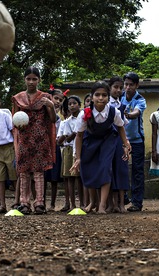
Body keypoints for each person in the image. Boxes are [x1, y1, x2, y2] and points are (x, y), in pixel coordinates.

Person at [71, 81, 131, 214]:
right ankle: (93, 201)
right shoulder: (84, 113)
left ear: (108, 97)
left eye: (104, 95)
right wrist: (78, 157)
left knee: (105, 168)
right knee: (89, 169)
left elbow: (120, 127)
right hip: (90, 141)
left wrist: (125, 144)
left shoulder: (113, 111)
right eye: (97, 95)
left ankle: (102, 205)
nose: (100, 98)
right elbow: (79, 136)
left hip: (107, 140)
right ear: (92, 97)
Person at [12, 67, 56, 215]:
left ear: (39, 80)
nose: (31, 82)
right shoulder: (18, 98)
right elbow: (14, 122)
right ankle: (24, 203)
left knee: (38, 172)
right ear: (24, 79)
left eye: (34, 79)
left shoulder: (45, 98)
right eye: (28, 78)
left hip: (40, 140)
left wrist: (50, 106)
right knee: (24, 172)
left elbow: (53, 119)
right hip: (24, 139)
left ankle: (39, 203)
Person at [121, 72, 146, 212]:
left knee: (137, 171)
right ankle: (122, 198)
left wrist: (128, 115)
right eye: (126, 84)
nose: (128, 87)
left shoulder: (140, 99)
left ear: (136, 85)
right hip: (122, 140)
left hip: (136, 140)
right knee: (121, 169)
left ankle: (137, 202)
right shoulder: (120, 98)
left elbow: (137, 112)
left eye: (131, 84)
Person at [108, 76, 130, 213]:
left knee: (121, 170)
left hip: (119, 142)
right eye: (115, 87)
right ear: (109, 87)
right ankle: (111, 204)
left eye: (120, 88)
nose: (118, 90)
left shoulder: (121, 106)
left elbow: (123, 127)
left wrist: (126, 143)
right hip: (107, 141)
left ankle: (122, 203)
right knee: (109, 170)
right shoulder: (105, 105)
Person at [44, 87, 65, 211]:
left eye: (60, 100)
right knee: (43, 177)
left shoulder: (63, 115)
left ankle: (52, 204)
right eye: (55, 98)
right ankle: (42, 202)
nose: (57, 101)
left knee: (54, 178)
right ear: (50, 98)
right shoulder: (44, 111)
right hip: (44, 146)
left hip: (56, 146)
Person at [61, 95, 84, 211]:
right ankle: (72, 204)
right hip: (70, 149)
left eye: (74, 103)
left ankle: (83, 204)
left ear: (79, 105)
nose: (72, 106)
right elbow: (68, 138)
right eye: (69, 104)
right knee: (70, 177)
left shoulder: (84, 116)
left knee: (80, 178)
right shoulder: (67, 122)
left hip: (83, 148)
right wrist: (77, 132)